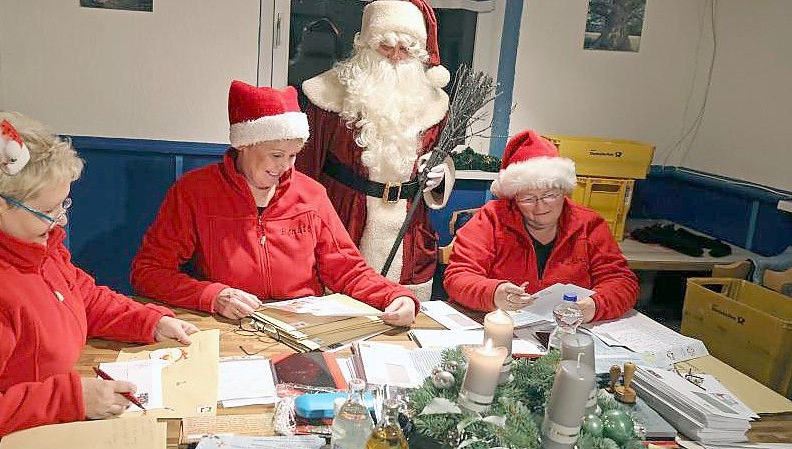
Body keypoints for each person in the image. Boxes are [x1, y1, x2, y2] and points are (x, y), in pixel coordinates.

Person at [131, 81, 418, 326]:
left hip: (301, 328)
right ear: (244, 144)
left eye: (293, 156)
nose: (285, 166)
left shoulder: (311, 195)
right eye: (276, 155)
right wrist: (211, 296)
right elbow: (148, 272)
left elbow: (348, 269)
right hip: (228, 327)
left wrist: (395, 295)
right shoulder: (193, 192)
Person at [0, 112, 199, 441]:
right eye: (47, 211)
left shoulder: (41, 248)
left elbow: (84, 297)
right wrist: (71, 399)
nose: (60, 221)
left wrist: (148, 321)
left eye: (63, 205)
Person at [297, 0, 455, 302]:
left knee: (403, 321)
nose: (396, 57)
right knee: (343, 317)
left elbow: (442, 155)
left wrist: (440, 174)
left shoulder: (435, 104)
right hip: (345, 226)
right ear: (366, 44)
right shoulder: (327, 96)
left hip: (408, 233)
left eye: (405, 49)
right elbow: (305, 170)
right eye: (386, 47)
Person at [443, 130, 639, 322]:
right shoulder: (490, 218)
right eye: (528, 198)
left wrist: (592, 306)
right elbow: (458, 276)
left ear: (564, 191)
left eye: (550, 195)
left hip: (567, 331)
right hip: (500, 325)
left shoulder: (588, 224)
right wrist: (495, 293)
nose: (540, 206)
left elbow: (622, 282)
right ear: (513, 197)